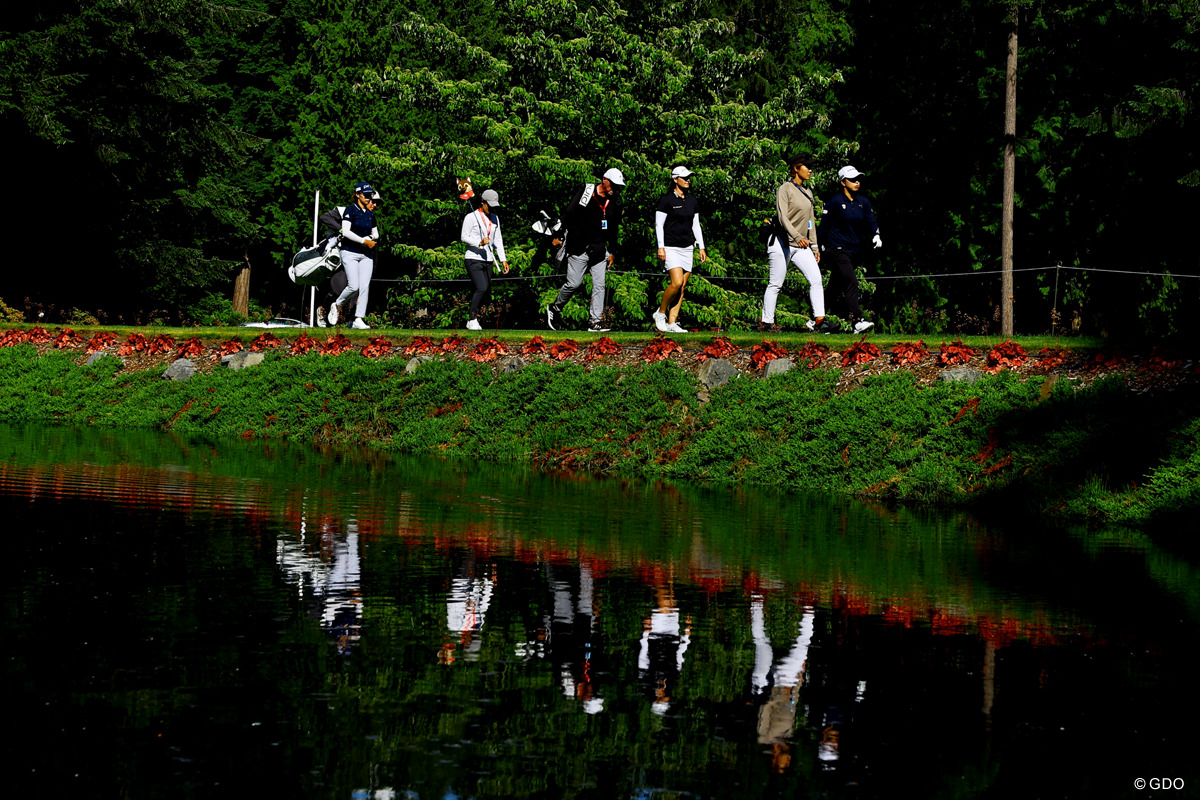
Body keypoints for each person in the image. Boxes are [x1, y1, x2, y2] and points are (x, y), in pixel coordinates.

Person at [761, 153, 835, 333]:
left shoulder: (808, 192)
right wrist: (797, 236)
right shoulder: (784, 189)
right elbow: (782, 217)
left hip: (801, 245)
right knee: (776, 283)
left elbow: (810, 221)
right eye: (806, 166)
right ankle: (767, 323)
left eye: (811, 166)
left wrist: (814, 246)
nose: (810, 170)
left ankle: (819, 321)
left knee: (816, 279)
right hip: (781, 242)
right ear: (795, 168)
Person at [546, 167, 626, 333]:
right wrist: (559, 235)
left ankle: (595, 322)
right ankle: (555, 308)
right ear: (605, 180)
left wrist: (612, 251)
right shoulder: (587, 191)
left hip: (599, 249)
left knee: (599, 286)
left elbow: (614, 229)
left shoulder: (616, 202)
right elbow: (569, 214)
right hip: (579, 247)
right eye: (614, 185)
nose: (616, 189)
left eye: (619, 186)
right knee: (574, 284)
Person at [820, 166, 881, 334]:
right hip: (836, 250)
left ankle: (816, 319)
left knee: (834, 287)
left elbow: (871, 221)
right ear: (842, 182)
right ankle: (858, 320)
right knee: (851, 283)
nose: (857, 182)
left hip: (853, 251)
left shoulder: (863, 202)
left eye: (858, 179)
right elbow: (823, 227)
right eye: (853, 180)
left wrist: (876, 234)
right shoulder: (835, 202)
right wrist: (818, 247)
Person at [652, 166, 707, 334]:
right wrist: (660, 246)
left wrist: (701, 246)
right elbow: (659, 224)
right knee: (676, 283)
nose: (688, 180)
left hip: (687, 247)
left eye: (689, 177)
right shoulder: (666, 200)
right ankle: (660, 313)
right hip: (670, 246)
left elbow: (696, 225)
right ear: (675, 179)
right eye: (684, 177)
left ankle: (672, 322)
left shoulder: (692, 200)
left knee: (682, 286)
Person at [329, 182, 379, 330]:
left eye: (370, 194)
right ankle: (337, 304)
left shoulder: (370, 214)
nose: (368, 197)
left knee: (364, 287)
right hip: (349, 252)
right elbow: (346, 232)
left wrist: (370, 238)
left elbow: (376, 233)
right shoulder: (350, 210)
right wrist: (364, 240)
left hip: (366, 255)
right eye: (365, 194)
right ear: (357, 195)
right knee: (353, 285)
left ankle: (358, 319)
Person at [460, 188, 510, 330]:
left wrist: (503, 259)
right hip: (473, 257)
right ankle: (472, 319)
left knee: (486, 290)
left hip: (488, 259)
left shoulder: (495, 218)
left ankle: (477, 317)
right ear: (482, 202)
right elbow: (464, 237)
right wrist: (479, 243)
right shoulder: (471, 217)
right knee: (481, 287)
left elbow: (498, 240)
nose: (492, 209)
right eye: (490, 205)